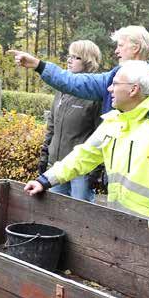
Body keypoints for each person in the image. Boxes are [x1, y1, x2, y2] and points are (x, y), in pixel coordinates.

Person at [24, 60, 149, 237]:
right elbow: (83, 155)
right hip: (118, 220)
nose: (109, 89)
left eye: (115, 84)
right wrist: (45, 180)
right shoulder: (113, 121)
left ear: (133, 89)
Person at [9, 25, 149, 114]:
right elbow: (75, 82)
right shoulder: (114, 76)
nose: (116, 51)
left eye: (120, 45)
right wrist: (39, 65)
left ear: (136, 47)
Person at [40, 40, 102, 202]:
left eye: (76, 57)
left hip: (81, 172)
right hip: (57, 167)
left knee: (82, 219)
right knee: (55, 215)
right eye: (69, 56)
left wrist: (95, 173)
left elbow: (102, 134)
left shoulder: (96, 95)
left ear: (89, 61)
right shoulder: (61, 90)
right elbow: (51, 127)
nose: (69, 60)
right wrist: (44, 156)